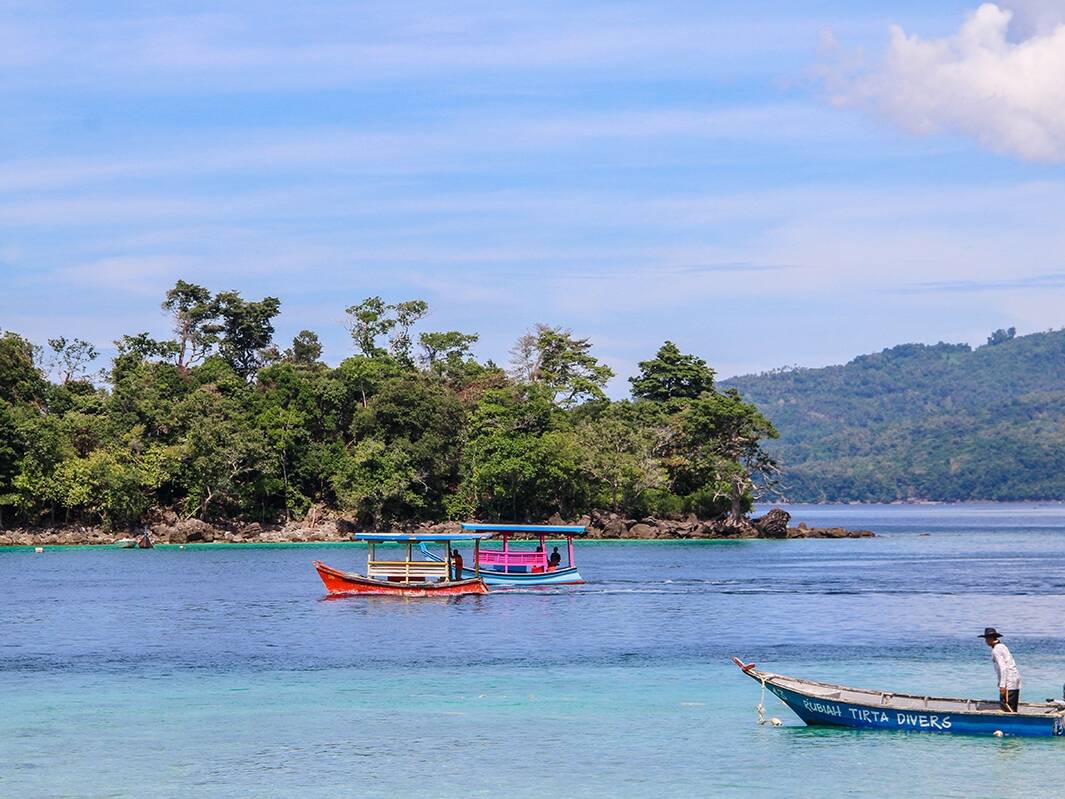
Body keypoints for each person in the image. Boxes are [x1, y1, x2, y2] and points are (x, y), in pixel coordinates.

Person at [981, 627, 1021, 712]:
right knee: (1012, 705)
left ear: (990, 638)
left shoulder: (996, 650)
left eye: (986, 639)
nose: (985, 641)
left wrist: (1002, 685)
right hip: (1014, 678)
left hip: (1009, 680)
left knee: (1006, 706)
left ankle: (1009, 724)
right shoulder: (1002, 646)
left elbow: (1003, 668)